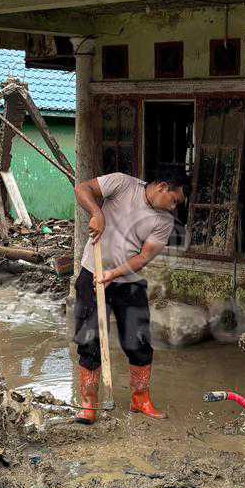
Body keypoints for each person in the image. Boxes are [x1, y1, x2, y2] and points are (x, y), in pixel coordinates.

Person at [71, 170, 187, 424]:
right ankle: (89, 403)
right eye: (175, 200)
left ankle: (140, 398)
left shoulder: (165, 221)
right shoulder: (122, 184)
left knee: (139, 341)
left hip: (129, 282)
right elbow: (82, 189)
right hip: (92, 273)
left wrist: (115, 273)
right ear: (163, 187)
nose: (174, 206)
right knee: (89, 339)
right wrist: (97, 212)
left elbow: (143, 257)